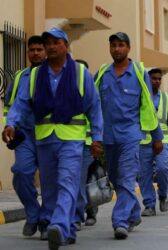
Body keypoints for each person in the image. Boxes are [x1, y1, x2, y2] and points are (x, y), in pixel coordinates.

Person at [2, 28, 103, 249]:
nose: (51, 46)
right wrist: (11, 123)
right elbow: (20, 103)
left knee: (67, 181)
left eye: (56, 42)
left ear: (66, 46)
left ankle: (59, 225)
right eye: (48, 42)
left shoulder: (80, 73)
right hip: (44, 139)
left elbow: (94, 108)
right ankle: (51, 223)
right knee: (48, 187)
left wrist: (97, 138)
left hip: (72, 139)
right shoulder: (36, 75)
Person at [94, 32, 163, 239]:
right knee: (115, 177)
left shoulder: (140, 73)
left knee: (125, 177)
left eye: (121, 45)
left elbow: (148, 106)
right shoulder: (102, 73)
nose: (117, 49)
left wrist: (156, 136)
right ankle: (133, 212)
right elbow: (92, 104)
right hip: (108, 136)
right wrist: (93, 137)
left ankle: (120, 221)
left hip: (131, 134)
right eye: (113, 45)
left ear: (128, 48)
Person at [2, 35, 46, 237]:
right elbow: (10, 106)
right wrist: (8, 125)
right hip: (25, 136)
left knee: (50, 181)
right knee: (21, 172)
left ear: (46, 51)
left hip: (50, 135)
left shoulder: (55, 74)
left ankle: (47, 219)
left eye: (39, 49)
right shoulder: (20, 77)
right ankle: (32, 214)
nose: (35, 53)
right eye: (32, 49)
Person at [138, 68, 168, 216]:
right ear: (147, 80)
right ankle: (149, 204)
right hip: (143, 140)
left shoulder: (166, 99)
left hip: (163, 140)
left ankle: (162, 195)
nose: (156, 81)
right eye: (153, 78)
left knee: (163, 169)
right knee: (144, 174)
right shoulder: (140, 96)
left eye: (158, 79)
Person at [73, 59, 98, 229]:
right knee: (80, 179)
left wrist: (97, 141)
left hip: (89, 144)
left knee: (84, 179)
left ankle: (80, 214)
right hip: (73, 142)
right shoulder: (68, 90)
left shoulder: (93, 93)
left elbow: (98, 117)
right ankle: (86, 211)